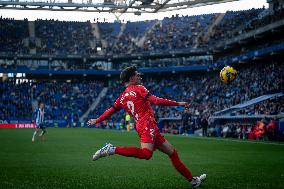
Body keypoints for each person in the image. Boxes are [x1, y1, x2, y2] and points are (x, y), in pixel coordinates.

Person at [87, 66, 206, 188]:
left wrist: (97, 120)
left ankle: (193, 180)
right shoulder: (139, 88)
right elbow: (156, 101)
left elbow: (110, 111)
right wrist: (178, 103)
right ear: (131, 78)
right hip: (147, 125)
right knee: (146, 154)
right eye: (138, 75)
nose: (140, 77)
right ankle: (111, 149)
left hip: (145, 126)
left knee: (172, 153)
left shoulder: (122, 97)